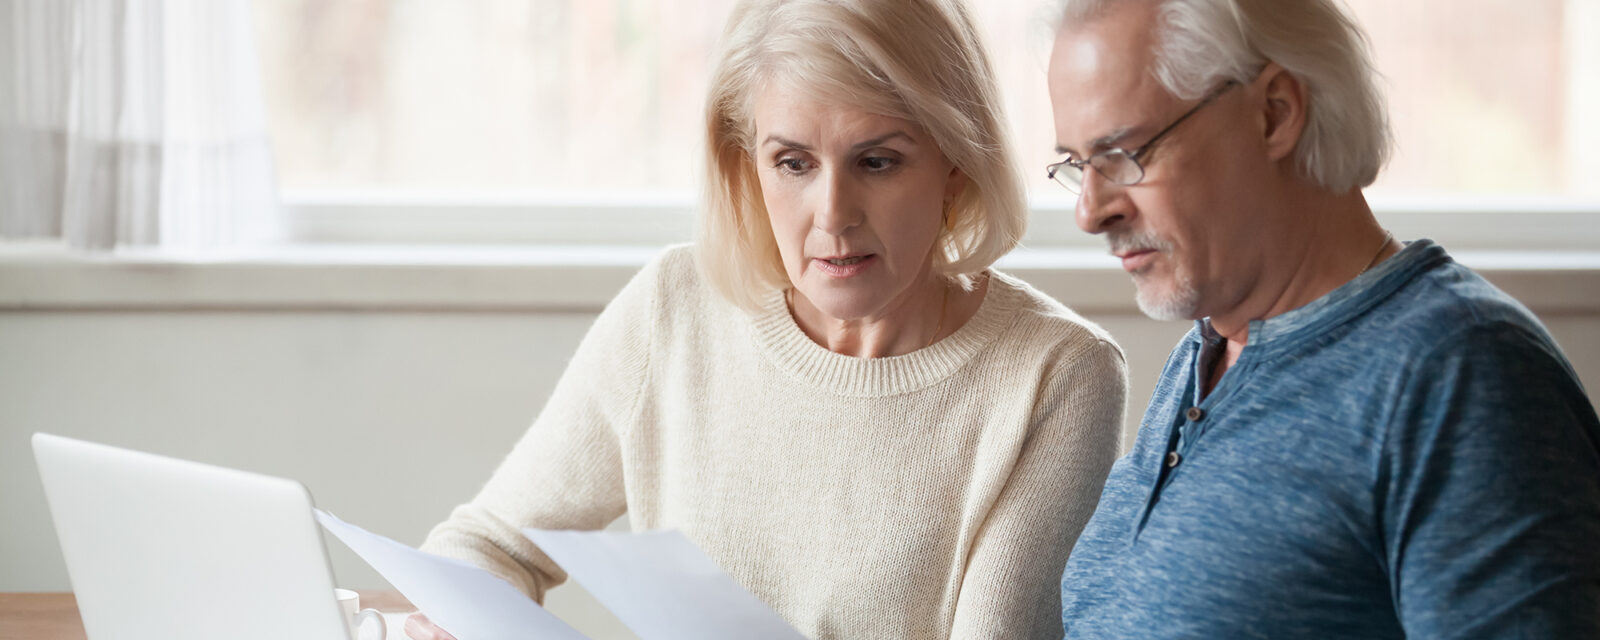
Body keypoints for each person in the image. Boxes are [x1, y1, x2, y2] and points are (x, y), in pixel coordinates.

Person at [405, 0, 1128, 637]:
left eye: (877, 162)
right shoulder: (673, 307)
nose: (833, 216)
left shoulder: (1059, 375)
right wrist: (457, 619)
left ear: (957, 163)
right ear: (745, 163)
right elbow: (483, 545)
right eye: (792, 163)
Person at [1043, 0, 1600, 637]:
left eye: (1123, 153)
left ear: (1275, 113)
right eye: (1079, 165)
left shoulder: (1464, 373)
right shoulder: (1209, 353)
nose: (1090, 212)